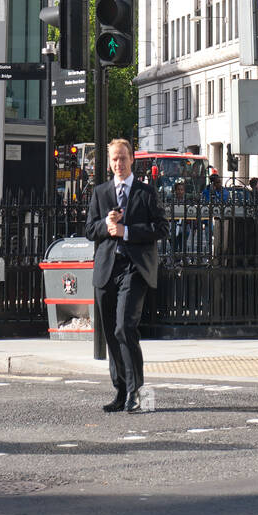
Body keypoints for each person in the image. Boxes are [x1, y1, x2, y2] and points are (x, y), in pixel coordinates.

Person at [85, 139, 169, 413]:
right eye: (114, 160)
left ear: (132, 159)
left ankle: (137, 391)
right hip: (107, 269)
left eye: (122, 158)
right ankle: (120, 391)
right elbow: (90, 229)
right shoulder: (101, 192)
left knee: (124, 327)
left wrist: (127, 232)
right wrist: (106, 225)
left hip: (134, 267)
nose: (118, 164)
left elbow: (161, 228)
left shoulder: (145, 192)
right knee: (111, 333)